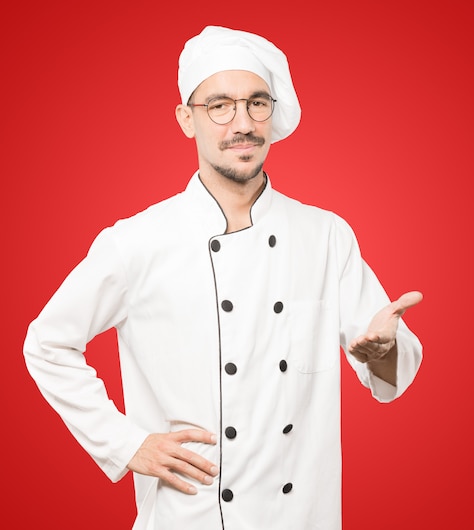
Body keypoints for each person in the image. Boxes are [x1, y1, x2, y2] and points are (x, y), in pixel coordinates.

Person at [23, 25, 423, 530]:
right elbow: (46, 344)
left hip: (302, 517)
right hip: (186, 517)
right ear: (186, 119)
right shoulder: (136, 241)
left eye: (257, 103)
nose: (243, 123)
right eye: (219, 105)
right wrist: (126, 445)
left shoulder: (325, 236)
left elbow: (387, 366)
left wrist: (384, 352)